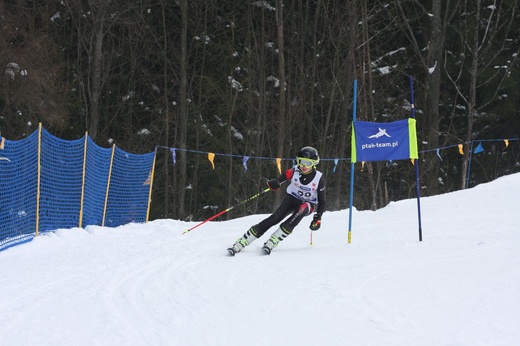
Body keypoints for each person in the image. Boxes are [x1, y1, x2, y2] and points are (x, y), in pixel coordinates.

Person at [227, 146, 326, 255]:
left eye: (308, 163)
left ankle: (274, 240)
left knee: (301, 210)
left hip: (308, 204)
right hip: (292, 199)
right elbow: (278, 181)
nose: (303, 166)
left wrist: (318, 217)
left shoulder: (318, 179)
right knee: (275, 218)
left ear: (314, 163)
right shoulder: (293, 171)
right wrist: (273, 183)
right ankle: (244, 240)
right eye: (301, 162)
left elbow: (322, 201)